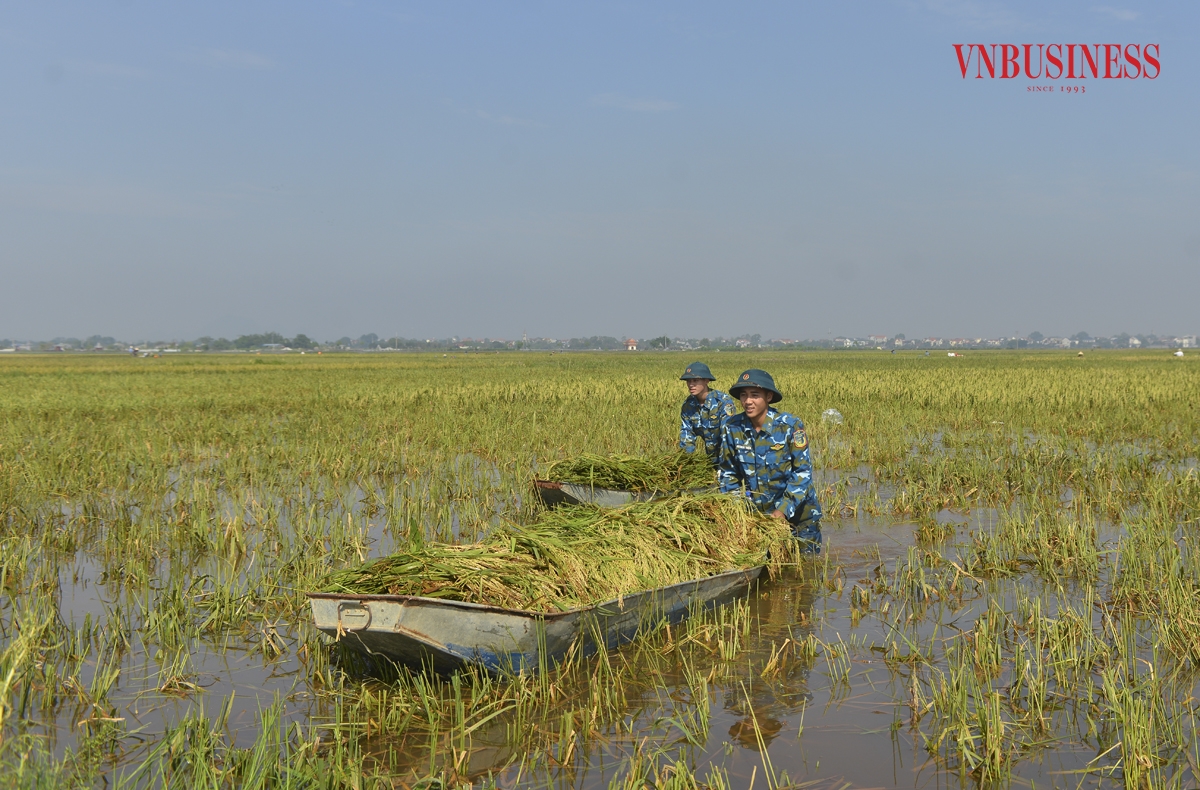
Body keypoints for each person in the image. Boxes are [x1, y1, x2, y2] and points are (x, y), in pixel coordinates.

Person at [718, 369, 823, 553]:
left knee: (806, 571)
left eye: (755, 395)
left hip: (799, 515)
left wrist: (782, 511)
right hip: (762, 518)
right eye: (743, 395)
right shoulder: (732, 427)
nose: (747, 401)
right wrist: (737, 512)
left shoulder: (789, 426)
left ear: (768, 396)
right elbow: (728, 474)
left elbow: (802, 473)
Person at [678, 362, 737, 464]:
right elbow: (687, 436)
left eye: (695, 380)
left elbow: (728, 436)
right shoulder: (688, 405)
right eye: (688, 381)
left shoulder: (723, 402)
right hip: (710, 459)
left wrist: (725, 466)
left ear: (706, 381)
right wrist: (685, 464)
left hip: (730, 459)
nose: (691, 385)